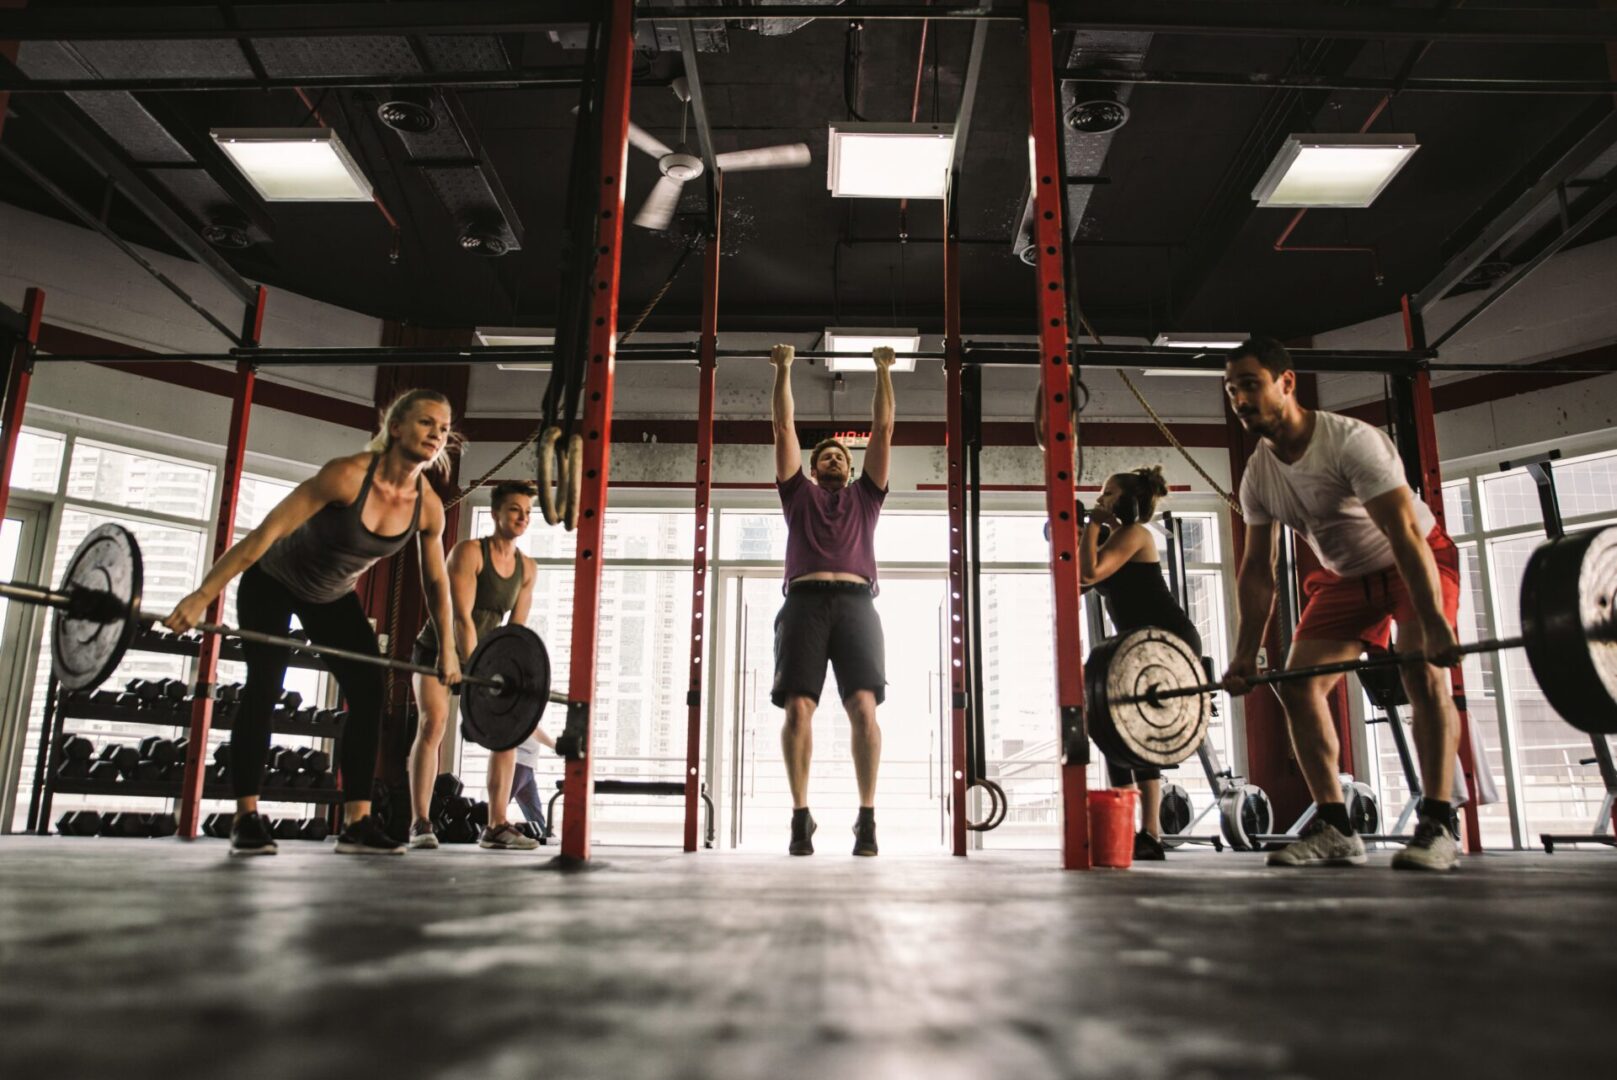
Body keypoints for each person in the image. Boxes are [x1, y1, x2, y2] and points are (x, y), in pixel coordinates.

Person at [165, 389, 461, 857]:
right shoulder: (345, 476)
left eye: (443, 429)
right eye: (427, 423)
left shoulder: (427, 507)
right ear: (397, 425)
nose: (436, 435)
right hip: (273, 581)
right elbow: (265, 534)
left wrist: (447, 648)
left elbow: (437, 585)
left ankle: (357, 824)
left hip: (332, 597)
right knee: (265, 683)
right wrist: (204, 595)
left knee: (368, 690)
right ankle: (246, 817)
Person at [1221, 336, 1463, 872]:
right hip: (1345, 579)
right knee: (1297, 686)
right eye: (1232, 389)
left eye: (1251, 385)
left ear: (1287, 383)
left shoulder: (1352, 442)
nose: (1240, 398)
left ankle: (1439, 822)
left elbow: (1403, 534)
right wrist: (1244, 655)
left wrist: (1431, 622)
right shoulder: (1258, 474)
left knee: (1423, 670)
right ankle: (1336, 826)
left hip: (1413, 558)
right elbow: (1257, 571)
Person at [770, 342, 895, 857]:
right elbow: (784, 428)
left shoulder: (867, 495)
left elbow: (884, 429)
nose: (833, 459)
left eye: (841, 455)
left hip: (856, 605)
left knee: (864, 708)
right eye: (825, 455)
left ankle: (866, 818)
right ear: (815, 466)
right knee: (798, 709)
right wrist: (784, 369)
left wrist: (883, 370)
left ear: (851, 466)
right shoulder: (797, 494)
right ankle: (801, 817)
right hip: (803, 604)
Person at [406, 481, 539, 851]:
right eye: (514, 509)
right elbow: (460, 618)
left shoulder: (527, 568)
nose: (522, 517)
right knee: (433, 725)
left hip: (488, 658)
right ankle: (420, 822)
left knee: (507, 735)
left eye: (527, 512)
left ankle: (496, 825)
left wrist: (507, 677)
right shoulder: (468, 553)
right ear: (496, 513)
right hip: (438, 648)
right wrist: (473, 674)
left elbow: (516, 631)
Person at [1079, 466, 1202, 862]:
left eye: (1109, 493)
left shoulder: (1134, 534)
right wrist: (1089, 529)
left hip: (1167, 641)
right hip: (1135, 646)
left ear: (1130, 502)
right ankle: (1127, 825)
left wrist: (1092, 526)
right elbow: (1080, 579)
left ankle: (1152, 832)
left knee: (1138, 730)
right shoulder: (1114, 539)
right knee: (1110, 726)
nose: (1101, 500)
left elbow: (1088, 572)